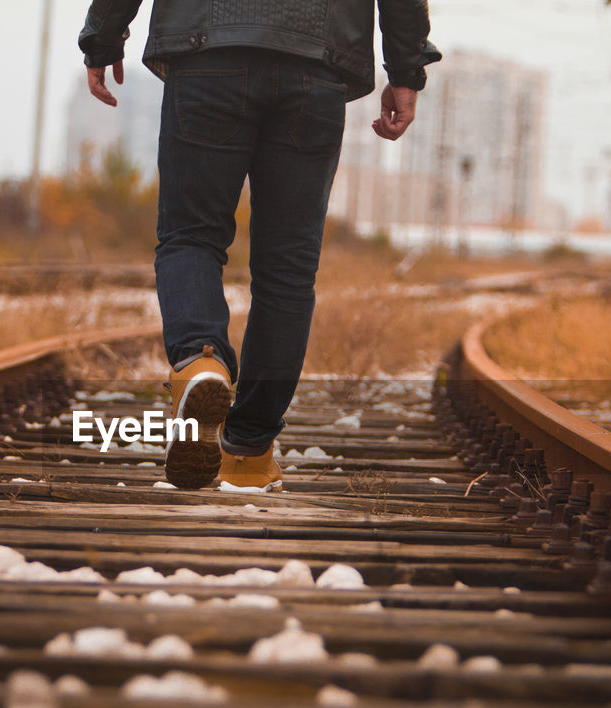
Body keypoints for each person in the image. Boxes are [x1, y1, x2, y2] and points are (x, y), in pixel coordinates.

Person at [79, 1, 440, 491]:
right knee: (287, 269)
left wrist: (103, 36)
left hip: (206, 50)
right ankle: (248, 450)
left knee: (192, 236)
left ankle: (200, 363)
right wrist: (405, 69)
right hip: (317, 65)